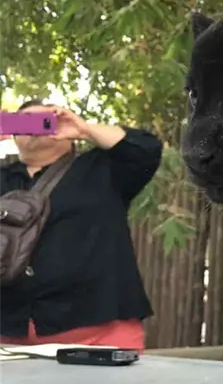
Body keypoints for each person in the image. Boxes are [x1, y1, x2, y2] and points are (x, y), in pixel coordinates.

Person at [0, 101, 162, 350]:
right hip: (9, 332)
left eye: (47, 121)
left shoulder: (103, 169)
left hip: (97, 332)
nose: (36, 127)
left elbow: (146, 148)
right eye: (25, 122)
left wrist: (84, 129)